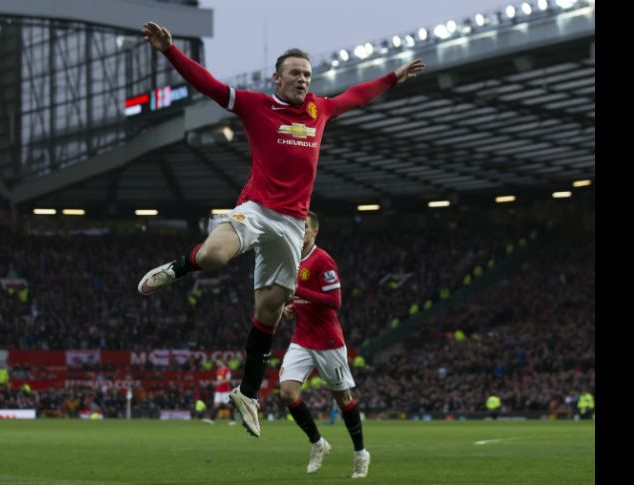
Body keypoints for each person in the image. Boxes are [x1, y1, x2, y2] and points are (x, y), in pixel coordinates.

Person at [139, 21, 425, 439]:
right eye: (295, 73)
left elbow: (356, 97)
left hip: (293, 224)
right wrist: (169, 50)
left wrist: (391, 79)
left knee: (269, 311)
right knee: (216, 256)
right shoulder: (256, 105)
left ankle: (248, 393)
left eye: (307, 74)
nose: (303, 80)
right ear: (278, 78)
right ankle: (178, 268)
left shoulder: (319, 110)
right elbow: (210, 85)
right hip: (257, 209)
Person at [279, 211, 370, 478]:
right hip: (301, 339)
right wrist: (292, 307)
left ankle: (360, 454)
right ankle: (318, 443)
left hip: (328, 342)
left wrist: (299, 293)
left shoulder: (323, 259)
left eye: (304, 226)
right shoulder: (293, 258)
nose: (300, 229)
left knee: (343, 400)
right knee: (287, 393)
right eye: (297, 225)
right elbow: (301, 297)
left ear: (314, 231)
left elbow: (334, 302)